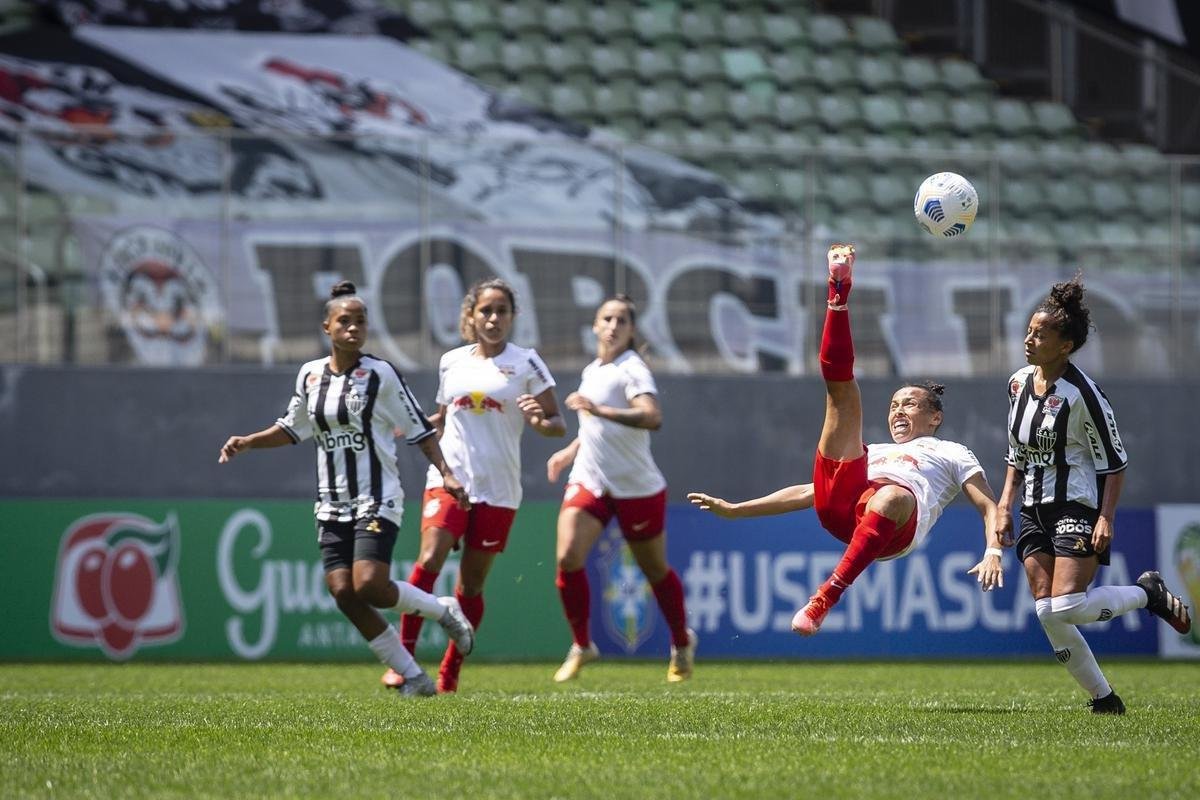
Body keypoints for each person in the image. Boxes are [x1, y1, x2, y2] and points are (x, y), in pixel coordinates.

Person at [688, 243, 1006, 634]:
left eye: (909, 404)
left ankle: (826, 597)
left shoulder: (952, 452)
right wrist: (737, 510)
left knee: (892, 494)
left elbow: (990, 507)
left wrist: (993, 549)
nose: (897, 411)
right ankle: (838, 294)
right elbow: (810, 492)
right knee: (843, 394)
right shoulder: (875, 452)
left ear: (935, 417)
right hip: (843, 509)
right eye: (893, 405)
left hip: (894, 527)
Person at [218, 281, 475, 698]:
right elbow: (293, 428)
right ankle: (414, 676)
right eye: (345, 321)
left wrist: (445, 472)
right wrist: (250, 441)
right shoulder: (310, 375)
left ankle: (442, 609)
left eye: (360, 322)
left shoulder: (380, 375)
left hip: (377, 497)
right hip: (331, 502)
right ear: (327, 327)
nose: (354, 328)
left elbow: (419, 428)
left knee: (370, 584)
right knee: (343, 592)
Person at [996, 275, 1191, 714]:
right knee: (1048, 612)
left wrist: (1106, 517)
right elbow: (1015, 452)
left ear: (1064, 346)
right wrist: (1004, 506)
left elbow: (1116, 462)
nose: (1029, 339)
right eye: (1029, 330)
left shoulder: (1084, 395)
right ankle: (1104, 700)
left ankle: (1147, 594)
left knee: (1067, 605)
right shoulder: (1017, 385)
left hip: (1076, 503)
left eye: (1040, 334)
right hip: (1032, 507)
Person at [383, 277, 565, 694]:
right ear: (471, 316)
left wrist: (540, 420)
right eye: (486, 310)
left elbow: (557, 424)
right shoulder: (453, 362)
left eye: (502, 310)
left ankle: (449, 674)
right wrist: (408, 426)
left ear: (513, 317)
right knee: (429, 560)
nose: (494, 318)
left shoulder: (527, 363)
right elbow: (443, 418)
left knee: (472, 586)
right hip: (451, 478)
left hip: (499, 489)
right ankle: (403, 661)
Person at [545, 295, 696, 683]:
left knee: (654, 570)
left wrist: (599, 410)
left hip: (636, 486)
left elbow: (651, 416)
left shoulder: (633, 369)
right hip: (592, 479)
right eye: (606, 318)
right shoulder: (593, 369)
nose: (613, 326)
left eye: (622, 320)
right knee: (567, 556)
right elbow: (593, 429)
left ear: (631, 330)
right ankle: (582, 645)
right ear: (595, 325)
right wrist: (569, 451)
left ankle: (681, 642)